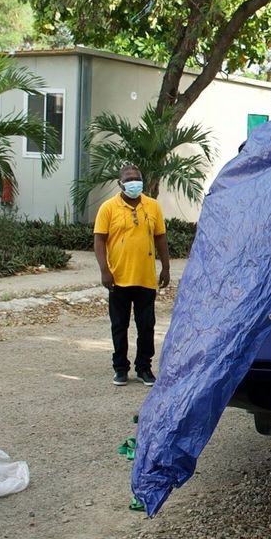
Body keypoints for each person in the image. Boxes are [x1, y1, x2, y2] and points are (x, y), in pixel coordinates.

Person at [93, 164, 171, 387]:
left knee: (146, 325)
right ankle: (120, 368)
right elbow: (99, 239)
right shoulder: (108, 208)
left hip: (145, 278)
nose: (133, 182)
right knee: (119, 325)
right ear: (120, 183)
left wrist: (165, 267)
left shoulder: (153, 206)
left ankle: (144, 368)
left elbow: (161, 238)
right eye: (128, 179)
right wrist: (104, 270)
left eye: (136, 178)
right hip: (118, 277)